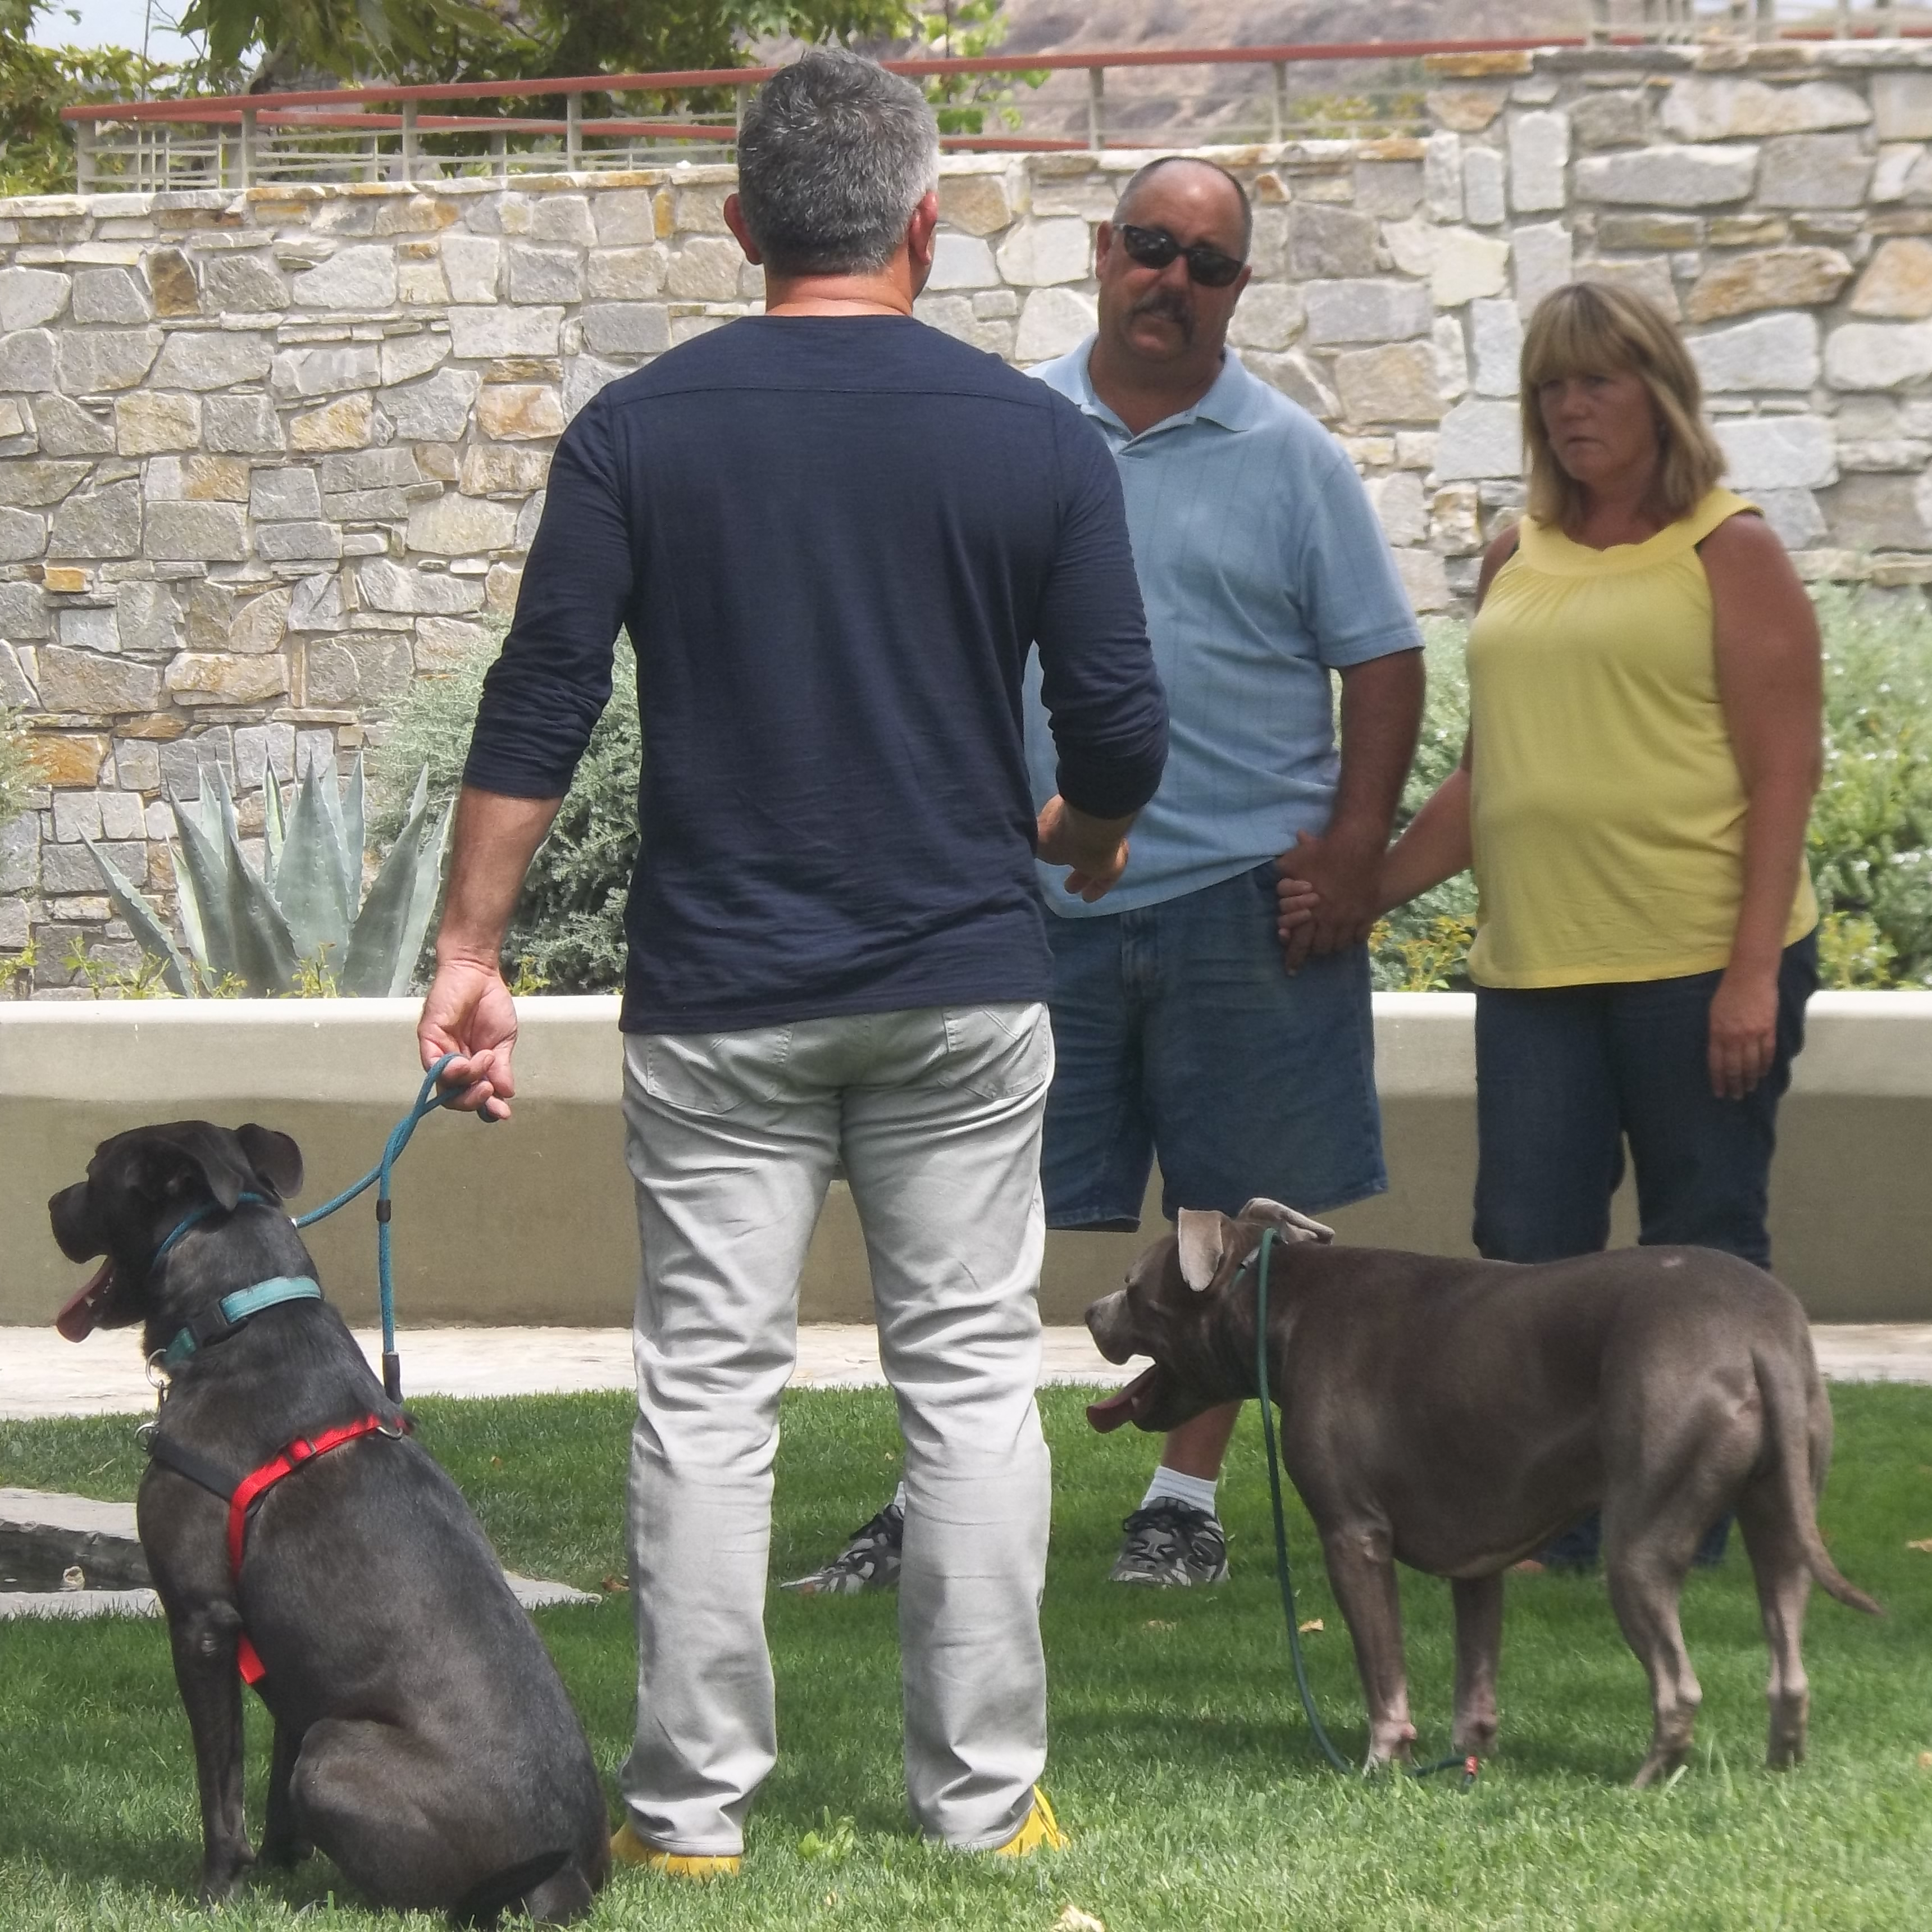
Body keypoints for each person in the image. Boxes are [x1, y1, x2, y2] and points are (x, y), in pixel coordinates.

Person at [416, 51, 1168, 1870]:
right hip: (963, 986)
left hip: (722, 998)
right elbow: (1123, 730)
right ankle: (985, 1811)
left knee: (705, 1393)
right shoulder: (1035, 440)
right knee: (970, 1387)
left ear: (745, 223)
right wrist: (1080, 838)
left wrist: (469, 952)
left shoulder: (635, 433)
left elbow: (541, 698)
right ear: (927, 225)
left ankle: (689, 1815)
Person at [791, 153, 1425, 1598]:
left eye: (1208, 263)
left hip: (1241, 905)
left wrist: (1353, 853)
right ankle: (940, 1491)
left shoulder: (1293, 459)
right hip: (1019, 900)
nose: (1171, 280)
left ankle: (1178, 1506)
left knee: (1234, 1229)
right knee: (960, 1213)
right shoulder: (1005, 432)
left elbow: (1384, 662)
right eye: (1151, 245)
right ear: (1100, 248)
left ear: (1239, 288)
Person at [1286, 278, 1823, 1571]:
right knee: (1526, 1254)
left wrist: (1752, 972)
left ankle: (1699, 1528)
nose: (1571, 408)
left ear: (1657, 393)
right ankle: (1561, 1523)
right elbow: (1491, 775)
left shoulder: (1728, 549)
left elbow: (1784, 774)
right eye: (1550, 387)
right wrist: (1367, 887)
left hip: (1698, 964)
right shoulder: (1512, 555)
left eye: (1597, 381)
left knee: (1700, 1251)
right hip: (1535, 969)